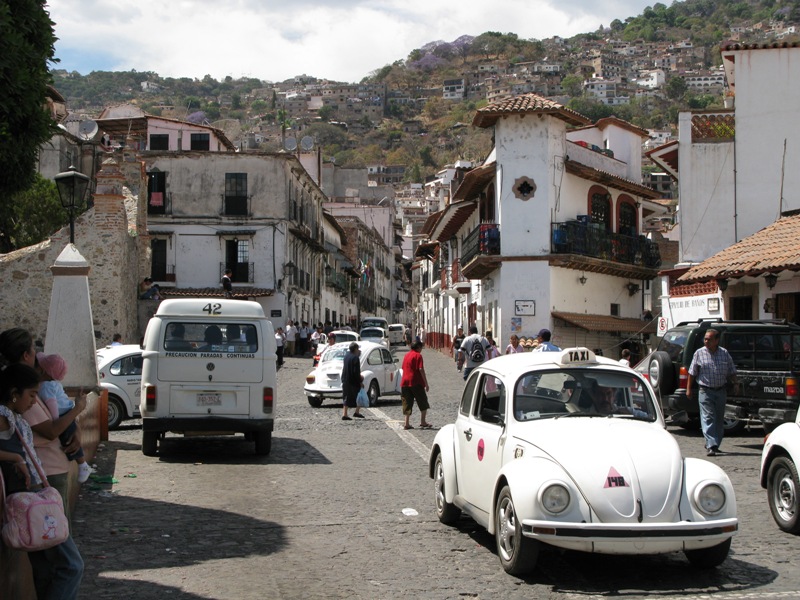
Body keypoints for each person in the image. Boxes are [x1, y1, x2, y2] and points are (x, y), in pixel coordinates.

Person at [0, 329, 85, 599]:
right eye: (32, 395)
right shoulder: (8, 412)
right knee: (70, 565)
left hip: (36, 486)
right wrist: (14, 458)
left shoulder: (16, 410)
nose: (35, 400)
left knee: (49, 566)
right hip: (34, 489)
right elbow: (50, 430)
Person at [36, 352, 93, 483]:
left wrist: (56, 421)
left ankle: (82, 465)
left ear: (43, 370)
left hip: (63, 415)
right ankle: (82, 465)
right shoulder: (55, 383)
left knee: (68, 441)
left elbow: (52, 403)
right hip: (68, 411)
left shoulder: (45, 387)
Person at [686, 328, 738, 456]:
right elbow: (692, 373)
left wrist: (736, 383)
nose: (706, 341)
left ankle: (714, 444)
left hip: (720, 391)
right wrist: (688, 389)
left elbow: (732, 371)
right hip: (705, 391)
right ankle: (711, 444)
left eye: (709, 339)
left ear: (716, 340)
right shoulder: (699, 353)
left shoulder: (724, 353)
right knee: (708, 417)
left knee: (719, 419)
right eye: (705, 339)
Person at [400, 341, 431, 430]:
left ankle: (406, 423)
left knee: (407, 402)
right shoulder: (418, 355)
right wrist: (426, 383)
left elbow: (403, 367)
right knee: (423, 401)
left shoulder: (406, 355)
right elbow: (420, 369)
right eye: (421, 348)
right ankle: (423, 421)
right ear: (418, 347)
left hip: (405, 382)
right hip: (416, 382)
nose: (421, 350)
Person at [340, 342, 364, 420]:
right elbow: (356, 371)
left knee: (346, 396)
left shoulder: (346, 356)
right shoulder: (355, 358)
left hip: (345, 379)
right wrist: (360, 381)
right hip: (353, 381)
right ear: (356, 349)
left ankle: (345, 413)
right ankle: (357, 411)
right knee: (360, 395)